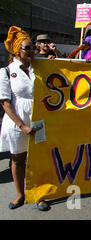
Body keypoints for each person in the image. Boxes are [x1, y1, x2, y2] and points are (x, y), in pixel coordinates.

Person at [0, 26, 49, 211]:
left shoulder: (41, 68)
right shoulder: (6, 72)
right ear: (17, 50)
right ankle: (21, 194)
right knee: (18, 159)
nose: (32, 51)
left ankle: (39, 194)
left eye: (33, 48)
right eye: (27, 48)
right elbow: (5, 103)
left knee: (38, 159)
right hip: (17, 122)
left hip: (38, 118)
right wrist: (22, 126)